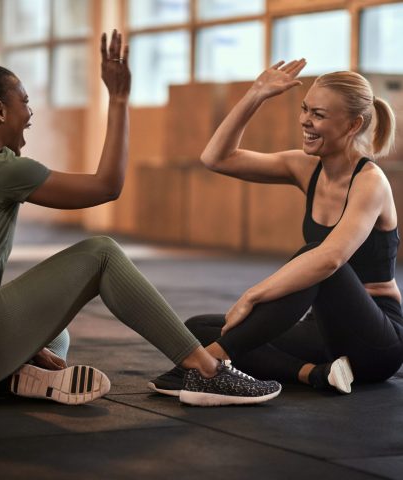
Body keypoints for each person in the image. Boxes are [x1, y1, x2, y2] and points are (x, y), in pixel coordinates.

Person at [0, 31, 281, 407]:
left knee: (55, 333)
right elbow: (107, 186)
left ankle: (17, 376)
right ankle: (206, 370)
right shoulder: (2, 169)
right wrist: (118, 99)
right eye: (24, 102)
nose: (29, 113)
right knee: (101, 253)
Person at [149, 60, 403, 397]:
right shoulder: (304, 167)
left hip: (376, 343)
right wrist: (256, 94)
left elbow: (330, 259)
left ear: (353, 124)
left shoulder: (371, 183)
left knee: (316, 256)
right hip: (322, 333)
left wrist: (252, 296)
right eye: (304, 109)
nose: (305, 121)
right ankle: (314, 374)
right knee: (199, 329)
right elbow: (216, 158)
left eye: (319, 115)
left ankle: (207, 366)